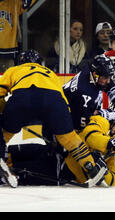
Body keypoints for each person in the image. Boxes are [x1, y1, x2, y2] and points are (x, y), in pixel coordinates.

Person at [0, 50, 106, 188]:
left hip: (23, 97)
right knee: (70, 139)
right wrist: (64, 126)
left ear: (20, 62)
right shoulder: (50, 73)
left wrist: (5, 111)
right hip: (54, 102)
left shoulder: (14, 70)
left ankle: (1, 156)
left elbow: (1, 92)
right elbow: (64, 103)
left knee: (4, 134)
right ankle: (91, 168)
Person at [2, 113, 115, 187]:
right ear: (113, 124)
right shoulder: (102, 122)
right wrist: (110, 143)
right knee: (11, 152)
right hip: (55, 151)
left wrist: (103, 169)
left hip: (62, 172)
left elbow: (112, 180)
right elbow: (90, 137)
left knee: (18, 171)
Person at [62, 53, 115, 132]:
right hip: (66, 124)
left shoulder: (90, 69)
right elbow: (82, 128)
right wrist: (107, 115)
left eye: (109, 77)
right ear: (94, 74)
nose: (108, 81)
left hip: (75, 109)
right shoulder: (85, 94)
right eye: (105, 78)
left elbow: (102, 71)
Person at [0, 0, 37, 73]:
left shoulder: (14, 3)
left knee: (9, 78)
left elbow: (27, 3)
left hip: (8, 53)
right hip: (9, 52)